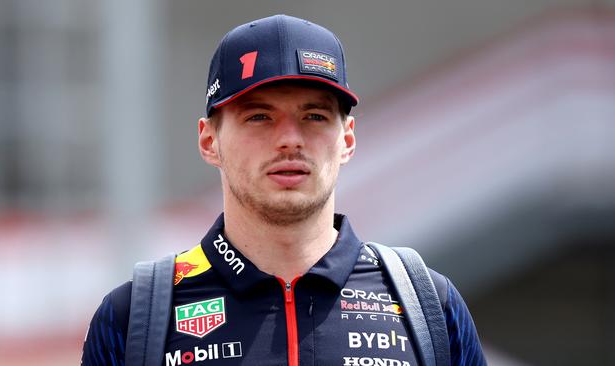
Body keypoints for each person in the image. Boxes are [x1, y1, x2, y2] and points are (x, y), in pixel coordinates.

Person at [81, 14, 486, 366]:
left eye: (314, 115)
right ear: (209, 141)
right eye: (259, 116)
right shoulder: (135, 316)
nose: (290, 139)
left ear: (346, 138)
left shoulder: (429, 305)